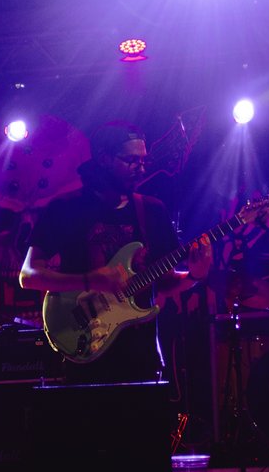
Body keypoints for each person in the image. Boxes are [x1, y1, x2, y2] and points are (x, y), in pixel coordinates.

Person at [19, 120, 210, 385]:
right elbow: (29, 276)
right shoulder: (66, 208)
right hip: (84, 349)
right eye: (131, 161)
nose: (140, 168)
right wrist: (89, 280)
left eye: (143, 161)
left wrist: (194, 275)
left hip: (141, 358)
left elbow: (164, 283)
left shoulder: (152, 211)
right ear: (104, 159)